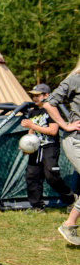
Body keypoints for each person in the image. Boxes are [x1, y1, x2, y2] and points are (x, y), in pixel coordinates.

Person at [20, 83, 76, 213]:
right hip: (36, 149)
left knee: (52, 176)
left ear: (46, 96)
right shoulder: (32, 111)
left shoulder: (51, 109)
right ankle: (37, 207)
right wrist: (27, 146)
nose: (34, 98)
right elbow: (31, 132)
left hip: (49, 148)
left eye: (37, 95)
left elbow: (53, 131)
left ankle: (71, 199)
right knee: (32, 177)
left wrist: (32, 126)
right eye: (33, 96)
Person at [43, 58, 80, 245]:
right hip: (76, 141)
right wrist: (65, 125)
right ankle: (69, 224)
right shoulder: (75, 79)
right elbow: (49, 103)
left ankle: (69, 224)